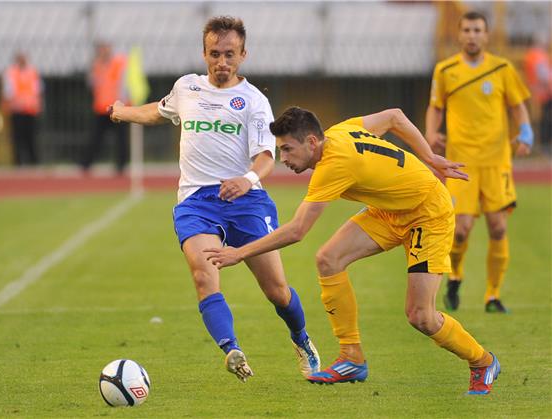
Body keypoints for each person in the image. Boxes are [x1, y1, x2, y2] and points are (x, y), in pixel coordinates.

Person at [205, 106, 501, 395]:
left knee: (421, 316)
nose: (283, 158)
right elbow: (394, 116)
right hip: (389, 211)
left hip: (428, 212)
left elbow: (297, 231)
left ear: (311, 142)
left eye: (287, 149)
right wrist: (429, 157)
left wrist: (239, 253)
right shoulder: (340, 131)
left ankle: (483, 362)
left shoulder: (333, 164)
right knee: (328, 260)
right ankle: (351, 356)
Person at [108, 16, 320, 382]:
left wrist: (247, 179)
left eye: (230, 55)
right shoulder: (187, 88)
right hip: (196, 202)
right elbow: (158, 112)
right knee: (203, 274)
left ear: (243, 54)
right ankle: (231, 349)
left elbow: (266, 157)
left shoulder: (253, 101)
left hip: (247, 200)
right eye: (215, 54)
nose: (222, 62)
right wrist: (121, 111)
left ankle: (301, 338)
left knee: (277, 290)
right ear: (204, 53)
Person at [425, 11, 533, 314]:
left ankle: (493, 296)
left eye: (477, 30)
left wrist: (525, 133)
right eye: (467, 30)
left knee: (498, 228)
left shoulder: (502, 69)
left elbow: (518, 106)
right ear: (459, 35)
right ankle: (456, 276)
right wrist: (432, 132)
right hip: (462, 163)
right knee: (461, 230)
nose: (472, 35)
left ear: (486, 35)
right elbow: (435, 107)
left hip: (497, 162)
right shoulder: (446, 71)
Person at [82, 42, 129, 175]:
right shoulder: (96, 65)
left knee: (121, 138)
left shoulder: (119, 63)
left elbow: (124, 82)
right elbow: (92, 83)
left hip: (117, 107)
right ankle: (86, 163)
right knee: (96, 138)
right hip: (102, 108)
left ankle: (121, 165)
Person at [1, 52, 43, 166]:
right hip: (17, 110)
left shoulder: (33, 72)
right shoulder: (11, 72)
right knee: (17, 137)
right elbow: (8, 92)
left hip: (30, 109)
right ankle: (18, 162)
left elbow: (38, 90)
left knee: (31, 137)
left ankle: (33, 162)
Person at [524, 32, 552, 153]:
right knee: (547, 118)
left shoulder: (532, 55)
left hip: (539, 91)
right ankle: (546, 144)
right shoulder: (537, 55)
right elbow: (544, 76)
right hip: (542, 93)